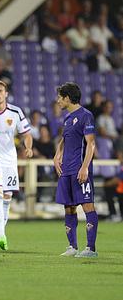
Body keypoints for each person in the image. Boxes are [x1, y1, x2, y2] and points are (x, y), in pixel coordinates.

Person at [53, 82, 98, 258]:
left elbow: (91, 143)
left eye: (60, 97)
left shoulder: (86, 116)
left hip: (80, 170)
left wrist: (85, 167)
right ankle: (72, 246)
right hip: (67, 171)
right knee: (69, 208)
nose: (58, 101)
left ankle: (90, 249)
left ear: (68, 98)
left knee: (87, 206)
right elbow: (65, 139)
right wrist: (57, 154)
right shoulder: (67, 119)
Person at [0, 80, 33, 250]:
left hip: (9, 160)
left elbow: (27, 134)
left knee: (7, 197)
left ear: (6, 94)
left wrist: (28, 147)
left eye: (1, 91)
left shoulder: (15, 112)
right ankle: (1, 235)